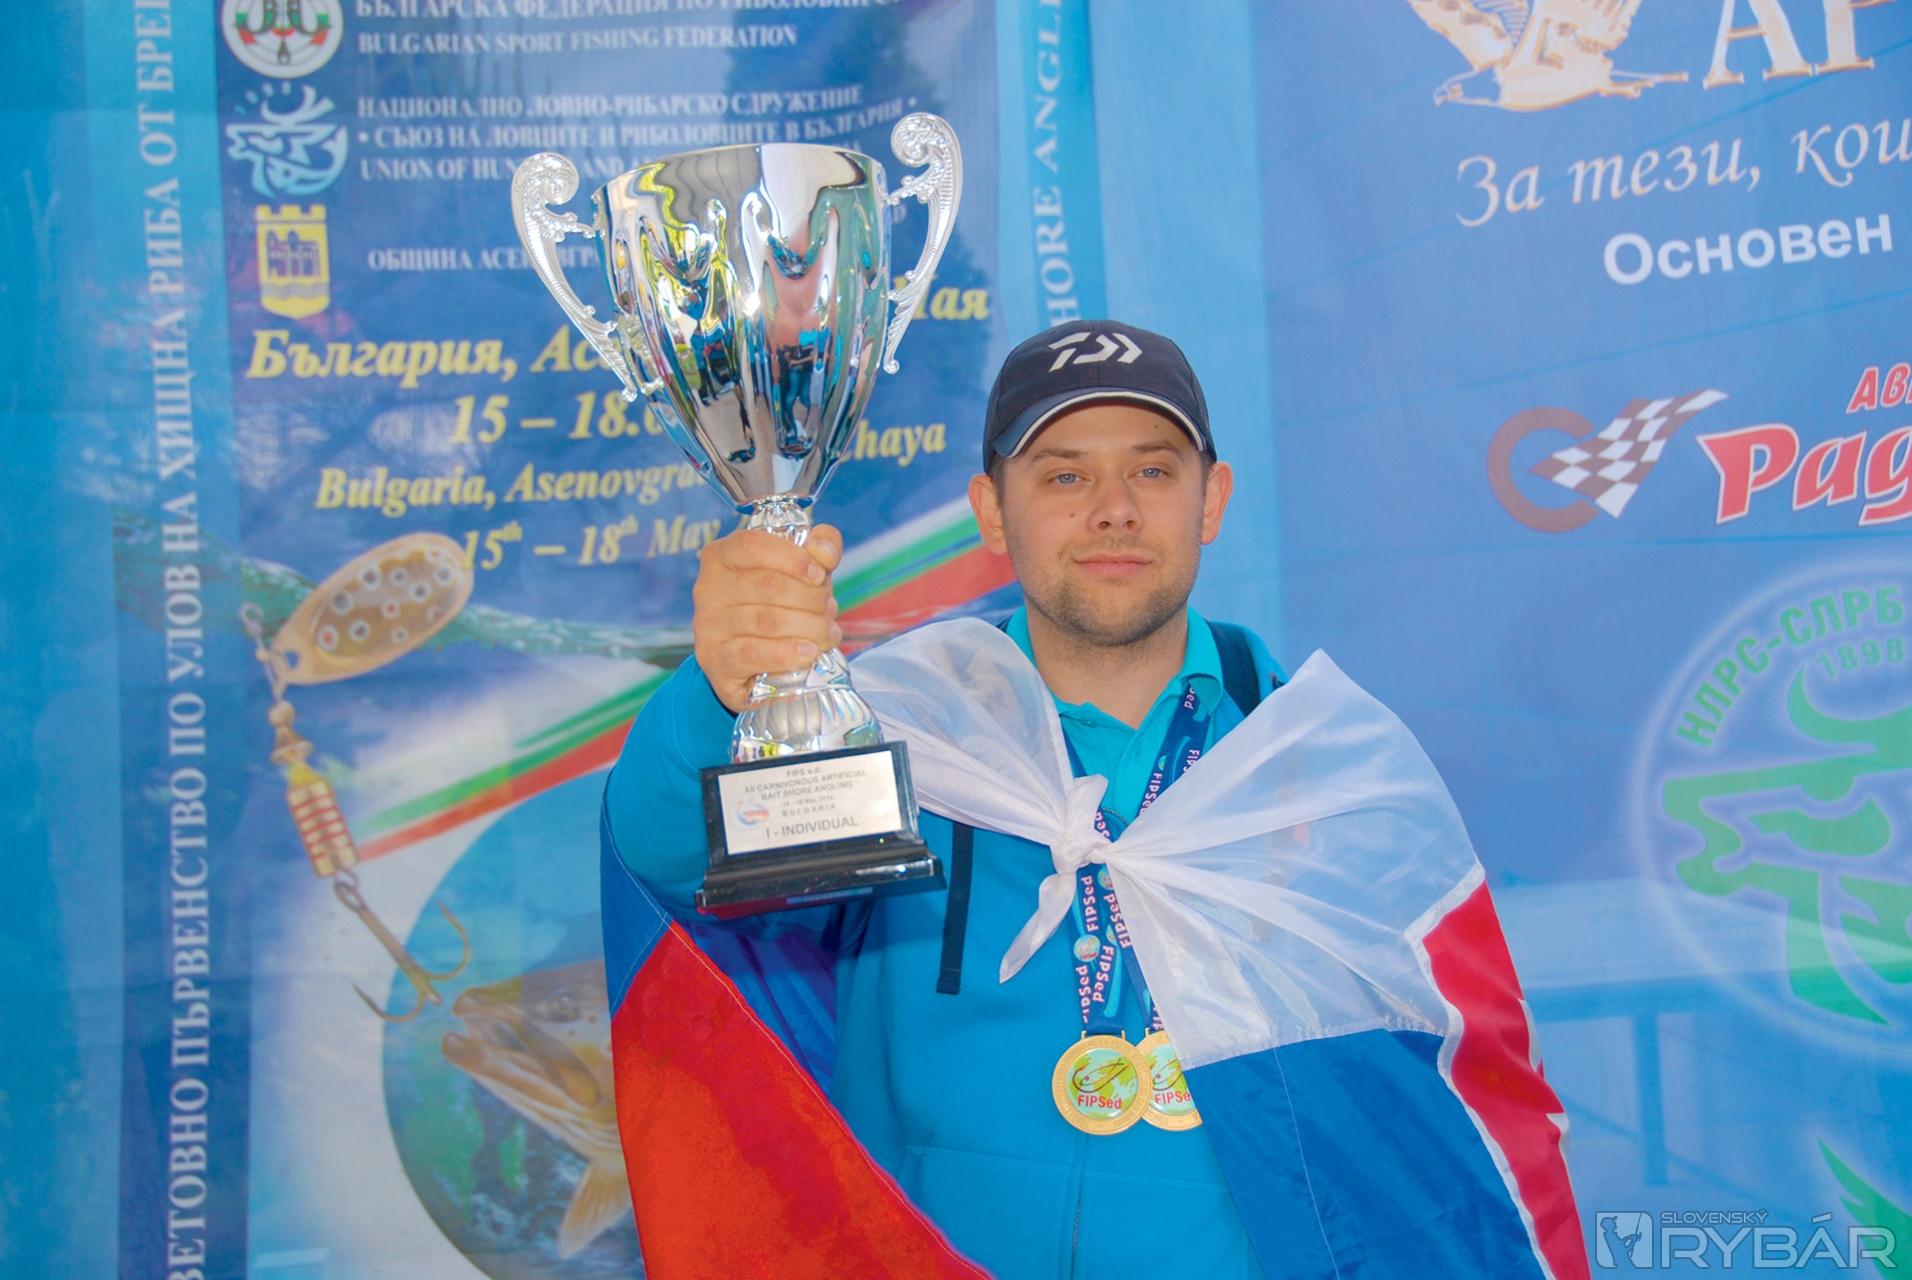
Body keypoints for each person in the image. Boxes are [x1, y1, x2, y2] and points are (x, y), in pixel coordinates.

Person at [605, 320, 1278, 1277]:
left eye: (1154, 470)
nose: (1115, 510)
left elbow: (1428, 1090)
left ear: (1212, 500)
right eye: (1064, 476)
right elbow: (674, 868)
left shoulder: (1309, 761)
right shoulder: (895, 729)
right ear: (992, 513)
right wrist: (722, 695)